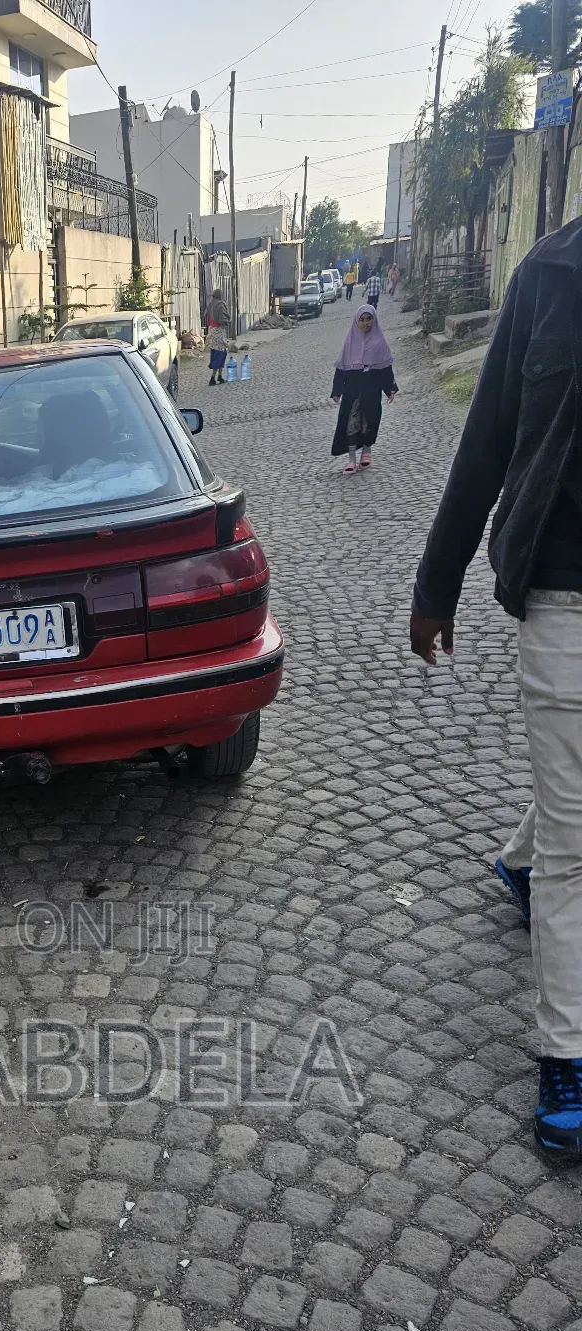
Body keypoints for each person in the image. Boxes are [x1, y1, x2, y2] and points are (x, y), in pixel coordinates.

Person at [410, 217, 582, 1155]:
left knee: (567, 813)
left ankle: (520, 858)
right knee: (578, 851)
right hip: (565, 596)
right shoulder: (549, 276)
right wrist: (436, 584)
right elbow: (485, 443)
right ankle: (567, 1056)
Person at [330, 304, 397, 474]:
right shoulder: (350, 341)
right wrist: (337, 390)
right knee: (351, 423)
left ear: (374, 320)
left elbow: (385, 368)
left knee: (370, 420)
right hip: (352, 389)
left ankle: (367, 452)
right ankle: (352, 460)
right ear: (356, 321)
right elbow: (342, 367)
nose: (365, 323)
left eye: (369, 319)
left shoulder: (379, 341)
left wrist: (390, 388)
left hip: (372, 389)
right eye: (362, 320)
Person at [206, 290, 232, 385]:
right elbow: (223, 319)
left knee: (218, 353)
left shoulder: (210, 304)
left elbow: (207, 318)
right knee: (220, 354)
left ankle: (220, 376)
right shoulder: (221, 305)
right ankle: (213, 378)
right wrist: (228, 321)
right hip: (219, 331)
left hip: (211, 331)